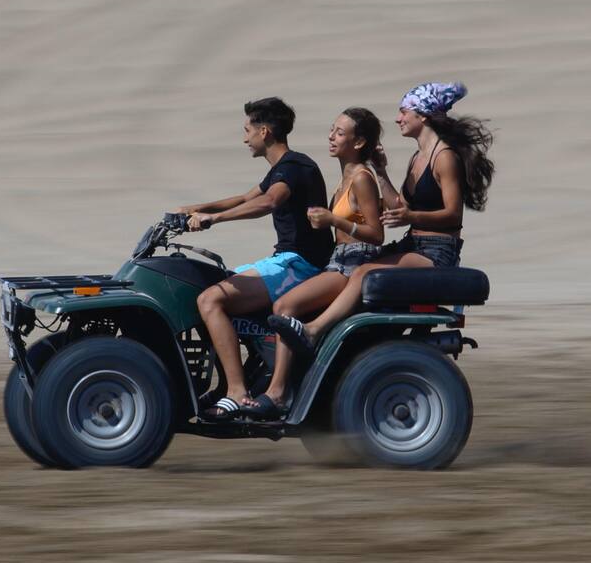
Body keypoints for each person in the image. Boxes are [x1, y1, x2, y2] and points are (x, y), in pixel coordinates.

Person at [269, 81, 494, 359]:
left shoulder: (444, 157)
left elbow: (453, 214)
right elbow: (400, 205)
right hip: (413, 245)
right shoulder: (418, 157)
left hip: (437, 251)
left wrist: (411, 216)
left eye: (404, 112)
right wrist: (381, 171)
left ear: (423, 116)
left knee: (363, 272)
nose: (398, 119)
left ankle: (314, 331)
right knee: (359, 266)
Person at [175, 97, 334, 420]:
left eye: (247, 130)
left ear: (264, 131)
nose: (244, 138)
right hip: (286, 260)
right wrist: (194, 208)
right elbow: (246, 198)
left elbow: (268, 202)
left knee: (210, 300)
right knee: (208, 290)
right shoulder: (281, 169)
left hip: (299, 265)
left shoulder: (294, 168)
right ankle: (236, 379)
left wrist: (213, 219)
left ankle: (237, 392)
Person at [244, 107, 386, 419]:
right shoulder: (346, 177)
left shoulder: (361, 178)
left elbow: (377, 235)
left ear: (358, 142)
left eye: (339, 133)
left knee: (284, 306)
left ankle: (278, 393)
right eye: (332, 129)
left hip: (352, 263)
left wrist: (334, 220)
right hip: (338, 260)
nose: (331, 137)